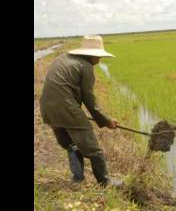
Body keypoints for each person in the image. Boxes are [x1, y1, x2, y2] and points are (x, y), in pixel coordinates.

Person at [39, 35, 123, 188]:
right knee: (94, 149)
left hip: (46, 108)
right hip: (66, 107)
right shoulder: (86, 66)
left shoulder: (62, 58)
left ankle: (77, 179)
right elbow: (90, 101)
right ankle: (105, 183)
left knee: (71, 144)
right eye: (97, 57)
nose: (99, 61)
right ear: (89, 54)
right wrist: (106, 120)